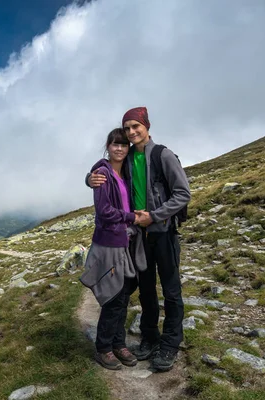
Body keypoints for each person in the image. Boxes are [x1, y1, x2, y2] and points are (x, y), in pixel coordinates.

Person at [86, 107, 191, 372]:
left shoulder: (162, 155)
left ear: (146, 126)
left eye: (136, 126)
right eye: (128, 128)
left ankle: (169, 344)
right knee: (145, 291)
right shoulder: (130, 155)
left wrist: (153, 216)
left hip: (163, 233)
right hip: (139, 239)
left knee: (170, 291)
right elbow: (108, 168)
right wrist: (89, 179)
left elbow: (182, 194)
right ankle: (149, 338)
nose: (132, 132)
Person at [80, 128, 147, 371]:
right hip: (110, 242)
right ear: (107, 147)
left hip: (127, 241)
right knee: (114, 296)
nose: (119, 148)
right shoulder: (103, 173)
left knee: (125, 292)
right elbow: (105, 212)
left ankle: (119, 343)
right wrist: (132, 218)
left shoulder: (126, 171)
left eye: (123, 145)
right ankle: (104, 348)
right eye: (114, 144)